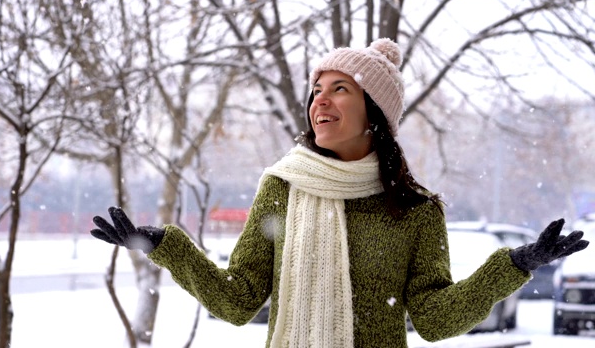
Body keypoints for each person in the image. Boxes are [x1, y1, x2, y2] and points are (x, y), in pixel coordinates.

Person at [91, 38, 590, 348]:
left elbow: (435, 319)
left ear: (374, 111)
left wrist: (516, 264)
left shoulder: (416, 211)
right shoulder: (282, 187)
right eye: (317, 89)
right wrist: (164, 247)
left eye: (339, 89)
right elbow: (238, 299)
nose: (319, 101)